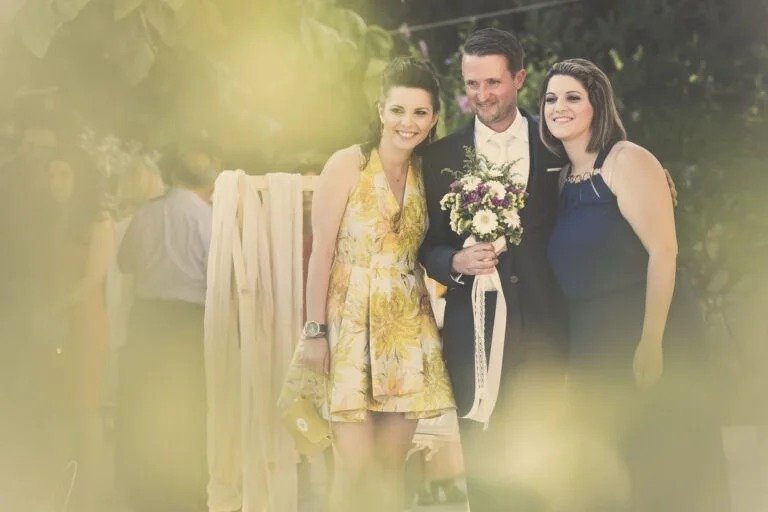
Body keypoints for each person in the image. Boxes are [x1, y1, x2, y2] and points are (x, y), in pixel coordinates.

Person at [541, 58, 731, 511]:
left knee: (661, 456)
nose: (559, 107)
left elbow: (664, 252)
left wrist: (651, 340)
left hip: (644, 327)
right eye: (550, 99)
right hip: (591, 338)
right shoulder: (560, 179)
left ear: (597, 105)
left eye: (572, 97)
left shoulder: (626, 160)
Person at [418, 28, 568, 512]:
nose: (481, 95)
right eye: (472, 84)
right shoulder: (438, 158)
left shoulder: (558, 145)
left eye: (493, 83)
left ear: (519, 78)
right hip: (474, 335)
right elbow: (426, 245)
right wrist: (455, 262)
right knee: (485, 475)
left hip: (547, 329)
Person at [297, 56, 454, 512]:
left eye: (420, 112)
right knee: (355, 468)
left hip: (407, 326)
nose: (408, 122)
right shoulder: (349, 163)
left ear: (434, 118)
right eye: (398, 110)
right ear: (381, 110)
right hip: (349, 323)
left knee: (390, 467)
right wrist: (315, 332)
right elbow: (321, 253)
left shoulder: (429, 173)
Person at [116, 140, 219, 512]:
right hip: (188, 322)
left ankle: (145, 491)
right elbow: (217, 274)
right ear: (211, 180)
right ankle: (186, 492)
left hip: (147, 319)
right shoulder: (209, 219)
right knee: (190, 403)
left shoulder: (146, 212)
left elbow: (124, 262)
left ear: (173, 173)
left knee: (142, 402)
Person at [45, 147, 115, 512]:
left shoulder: (98, 219)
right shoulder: (58, 216)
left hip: (84, 322)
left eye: (65, 174)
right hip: (57, 321)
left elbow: (94, 276)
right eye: (52, 175)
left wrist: (55, 307)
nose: (57, 182)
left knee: (86, 408)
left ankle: (94, 495)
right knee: (62, 407)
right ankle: (67, 489)